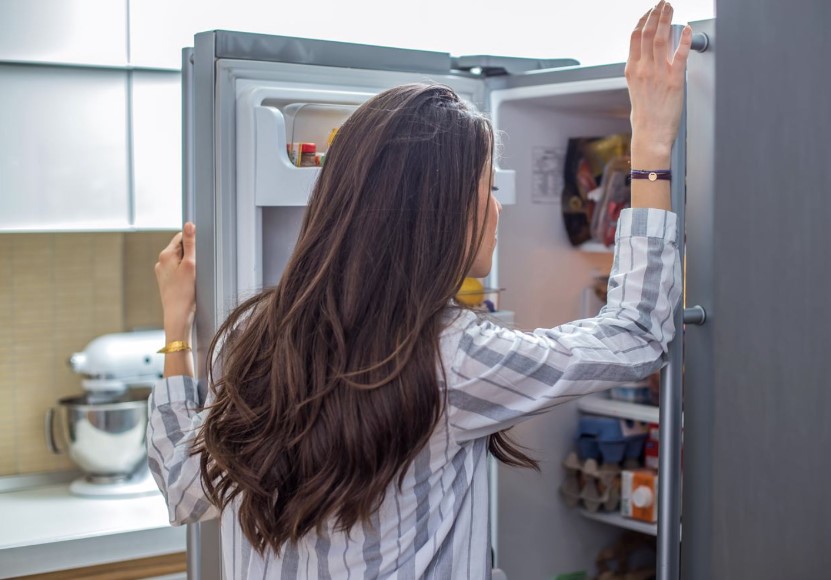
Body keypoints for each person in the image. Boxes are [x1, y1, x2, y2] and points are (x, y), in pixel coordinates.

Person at [149, 2, 690, 578]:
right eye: (487, 189)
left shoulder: (258, 334)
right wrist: (652, 151)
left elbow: (187, 492)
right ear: (441, 215)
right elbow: (636, 335)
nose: (499, 207)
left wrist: (176, 332)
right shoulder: (452, 356)